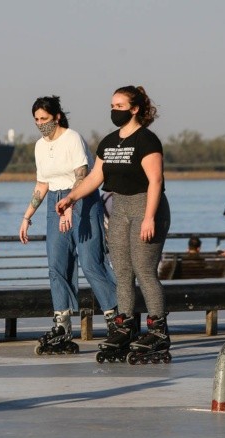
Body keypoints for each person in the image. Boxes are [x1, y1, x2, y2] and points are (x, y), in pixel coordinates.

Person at [56, 85, 172, 362]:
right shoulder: (109, 142)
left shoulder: (147, 140)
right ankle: (125, 327)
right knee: (121, 271)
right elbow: (96, 177)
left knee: (144, 270)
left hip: (147, 207)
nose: (114, 111)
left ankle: (158, 331)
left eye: (120, 106)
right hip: (120, 209)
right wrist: (71, 197)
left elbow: (155, 181)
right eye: (112, 106)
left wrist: (149, 218)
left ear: (135, 109)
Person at [20, 95, 118, 354]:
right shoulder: (40, 146)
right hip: (55, 202)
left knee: (90, 262)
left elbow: (82, 175)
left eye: (45, 119)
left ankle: (115, 320)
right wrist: (27, 216)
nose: (41, 124)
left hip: (83, 201)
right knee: (57, 265)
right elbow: (42, 184)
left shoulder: (72, 138)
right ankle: (62, 324)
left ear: (57, 117)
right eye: (37, 120)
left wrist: (70, 206)